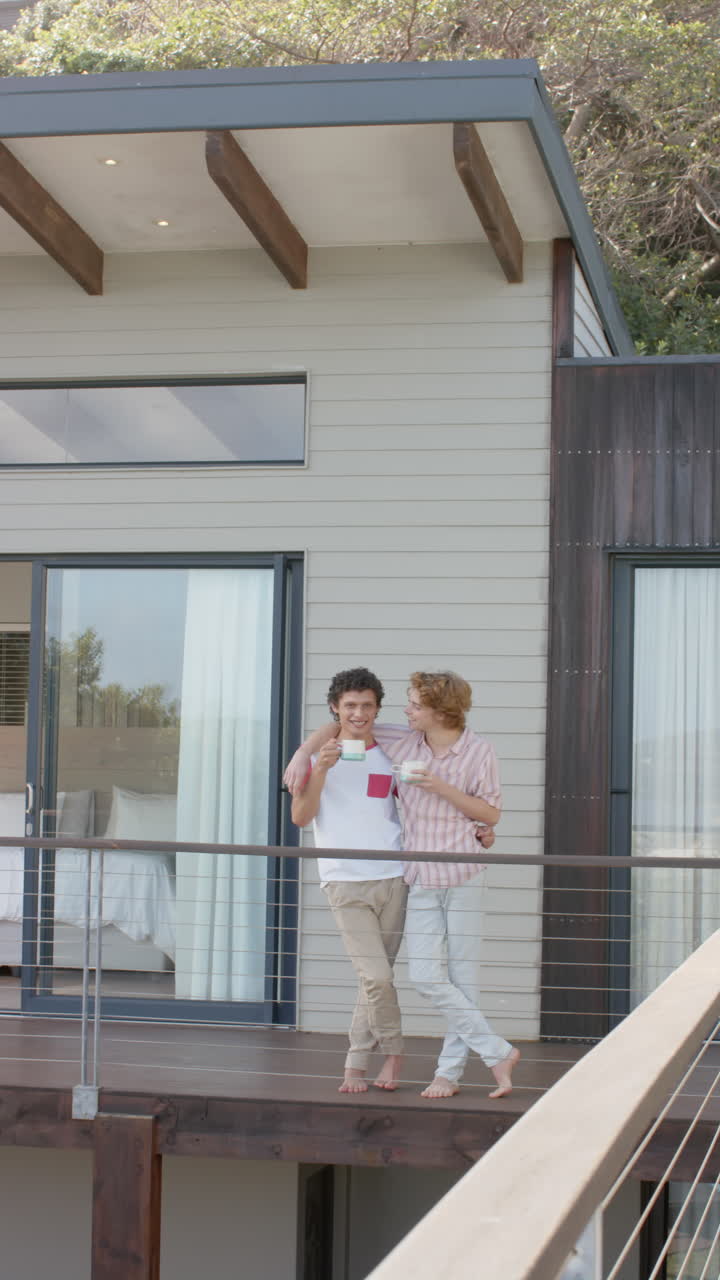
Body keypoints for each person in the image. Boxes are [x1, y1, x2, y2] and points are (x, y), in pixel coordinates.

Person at [286, 670, 519, 1100]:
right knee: (420, 977)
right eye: (406, 703)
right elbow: (344, 723)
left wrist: (457, 804)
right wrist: (305, 753)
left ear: (438, 711)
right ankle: (477, 1051)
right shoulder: (402, 740)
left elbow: (489, 815)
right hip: (415, 880)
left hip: (457, 875)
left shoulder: (476, 751)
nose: (405, 710)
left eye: (413, 704)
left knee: (459, 980)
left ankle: (449, 1072)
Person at [290, 667, 407, 1094]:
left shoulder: (393, 750)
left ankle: (355, 1066)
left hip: (395, 877)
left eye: (367, 705)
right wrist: (317, 764)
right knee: (376, 977)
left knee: (374, 979)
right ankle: (394, 1053)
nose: (359, 713)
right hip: (344, 881)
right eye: (350, 706)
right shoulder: (319, 755)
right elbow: (301, 816)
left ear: (377, 708)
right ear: (335, 709)